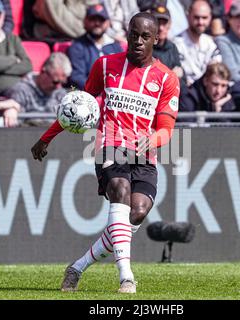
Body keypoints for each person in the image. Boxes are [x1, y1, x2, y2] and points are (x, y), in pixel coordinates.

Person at [30, 12, 180, 294]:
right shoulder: (105, 65)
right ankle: (126, 277)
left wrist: (154, 140)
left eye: (145, 36)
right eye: (133, 34)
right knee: (119, 188)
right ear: (126, 34)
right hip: (109, 144)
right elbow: (79, 107)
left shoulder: (167, 79)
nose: (137, 41)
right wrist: (47, 137)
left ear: (156, 39)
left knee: (135, 213)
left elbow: (166, 129)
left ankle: (77, 268)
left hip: (144, 154)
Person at [67, 4, 123, 90]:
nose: (97, 23)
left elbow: (122, 73)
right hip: (88, 95)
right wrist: (101, 90)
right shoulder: (77, 46)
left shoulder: (115, 46)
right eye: (93, 19)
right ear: (85, 21)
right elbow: (77, 77)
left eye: (101, 20)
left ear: (108, 23)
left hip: (114, 94)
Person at [5, 52, 71, 123]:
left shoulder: (60, 93)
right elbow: (15, 126)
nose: (58, 87)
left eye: (62, 83)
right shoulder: (21, 91)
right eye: (55, 82)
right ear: (43, 72)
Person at [173, 0, 222, 87]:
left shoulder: (211, 44)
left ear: (210, 17)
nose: (200, 22)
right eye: (196, 17)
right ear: (188, 16)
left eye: (204, 18)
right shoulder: (175, 44)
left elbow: (215, 72)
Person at [151, 5, 184, 79]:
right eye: (157, 23)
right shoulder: (145, 47)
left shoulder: (172, 47)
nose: (160, 28)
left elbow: (179, 73)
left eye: (164, 23)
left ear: (169, 25)